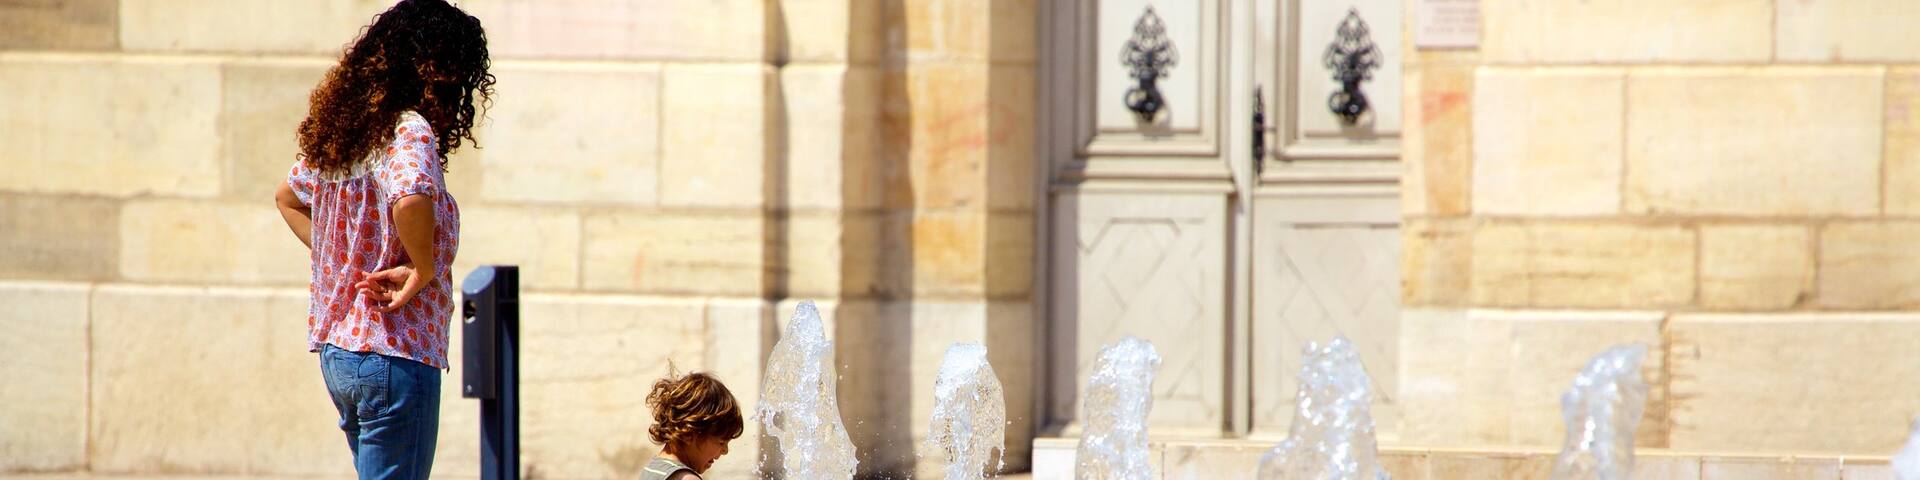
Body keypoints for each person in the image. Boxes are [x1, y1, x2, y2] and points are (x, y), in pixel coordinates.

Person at [272, 0, 492, 477]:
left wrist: (342, 259)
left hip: (342, 351)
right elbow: (410, 198)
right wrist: (422, 267)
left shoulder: (346, 134)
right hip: (395, 348)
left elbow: (288, 198)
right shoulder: (409, 129)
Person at [642, 371, 746, 480]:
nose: (725, 451)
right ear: (689, 433)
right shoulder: (687, 478)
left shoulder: (652, 468)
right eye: (721, 442)